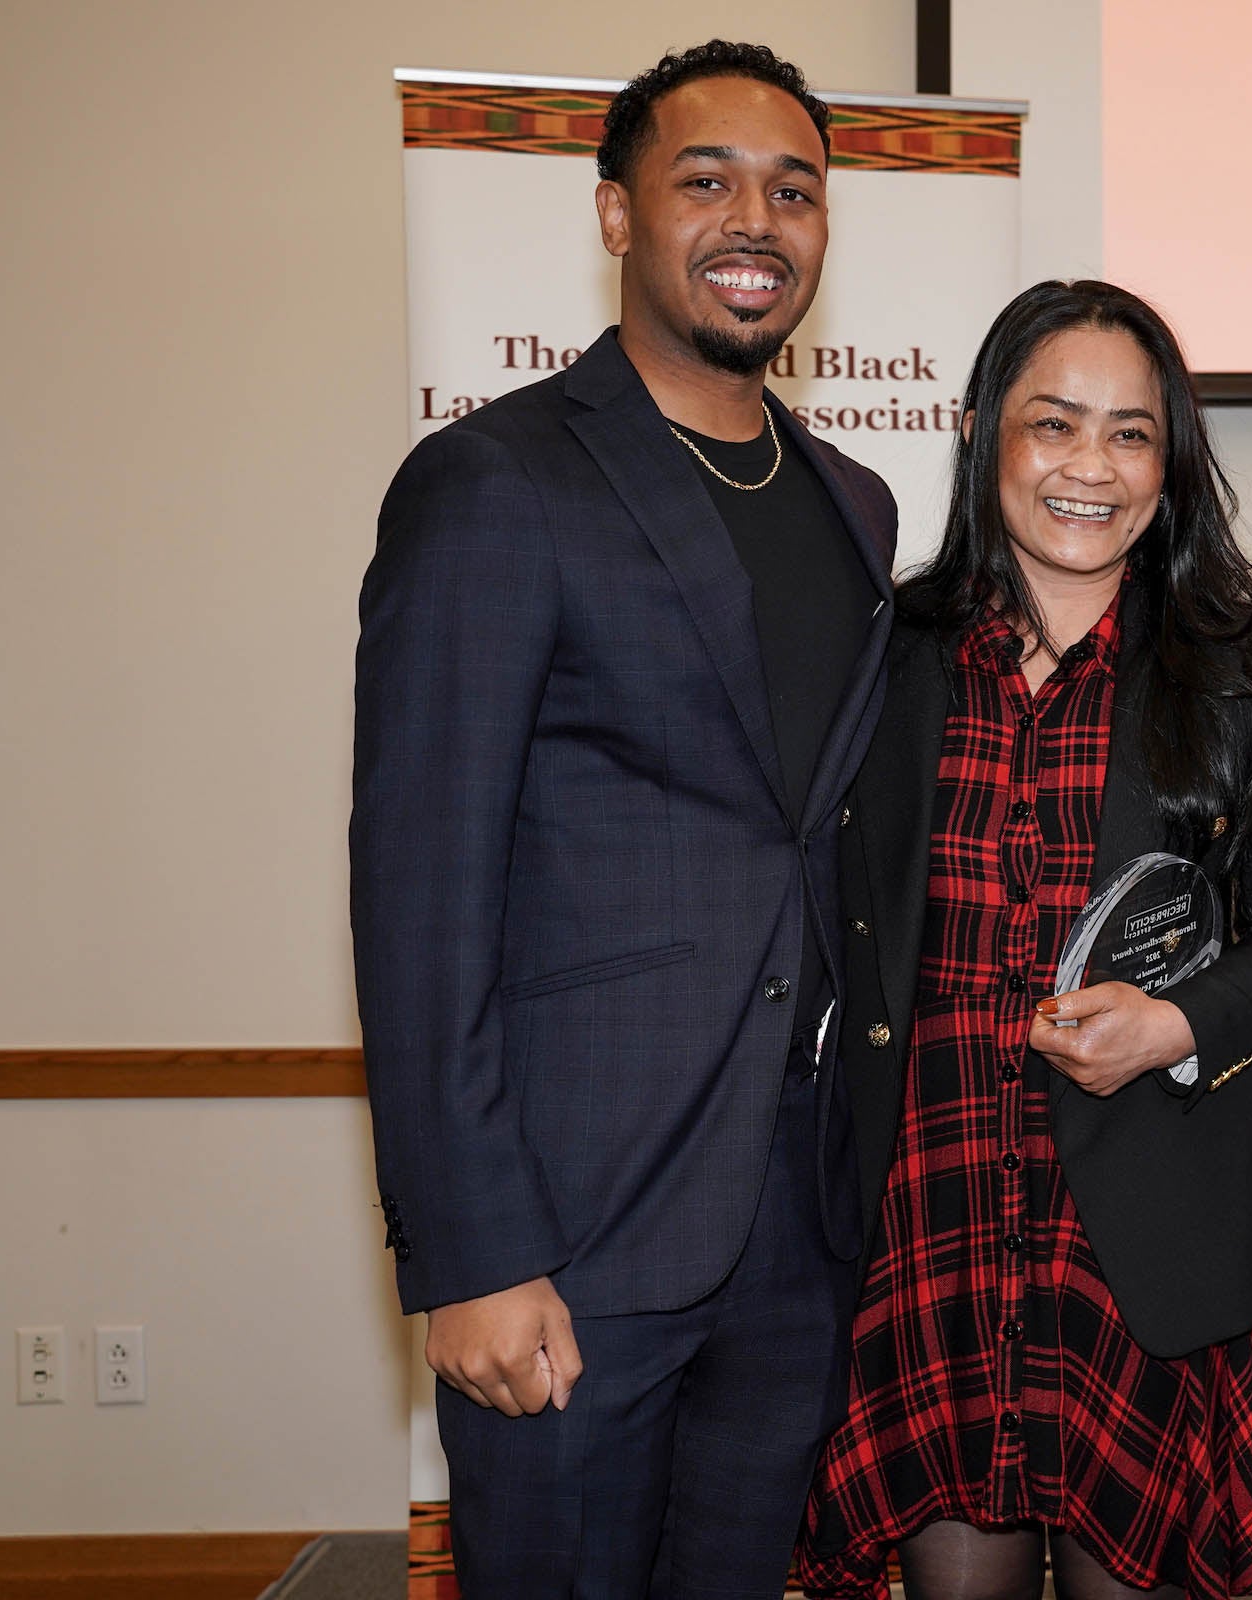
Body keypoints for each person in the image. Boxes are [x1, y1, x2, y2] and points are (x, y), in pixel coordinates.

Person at [351, 41, 895, 1599]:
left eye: (794, 191)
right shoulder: (495, 482)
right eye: (705, 180)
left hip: (797, 1227)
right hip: (569, 1234)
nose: (756, 220)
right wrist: (472, 1253)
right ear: (614, 216)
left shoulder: (853, 504)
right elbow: (419, 891)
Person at [798, 281, 1252, 1600]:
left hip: (1143, 1239)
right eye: (1055, 425)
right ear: (988, 431)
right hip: (929, 1217)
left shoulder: (1247, 669)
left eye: (1131, 434)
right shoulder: (885, 656)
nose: (1090, 468)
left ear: (1173, 460)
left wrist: (1177, 1023)